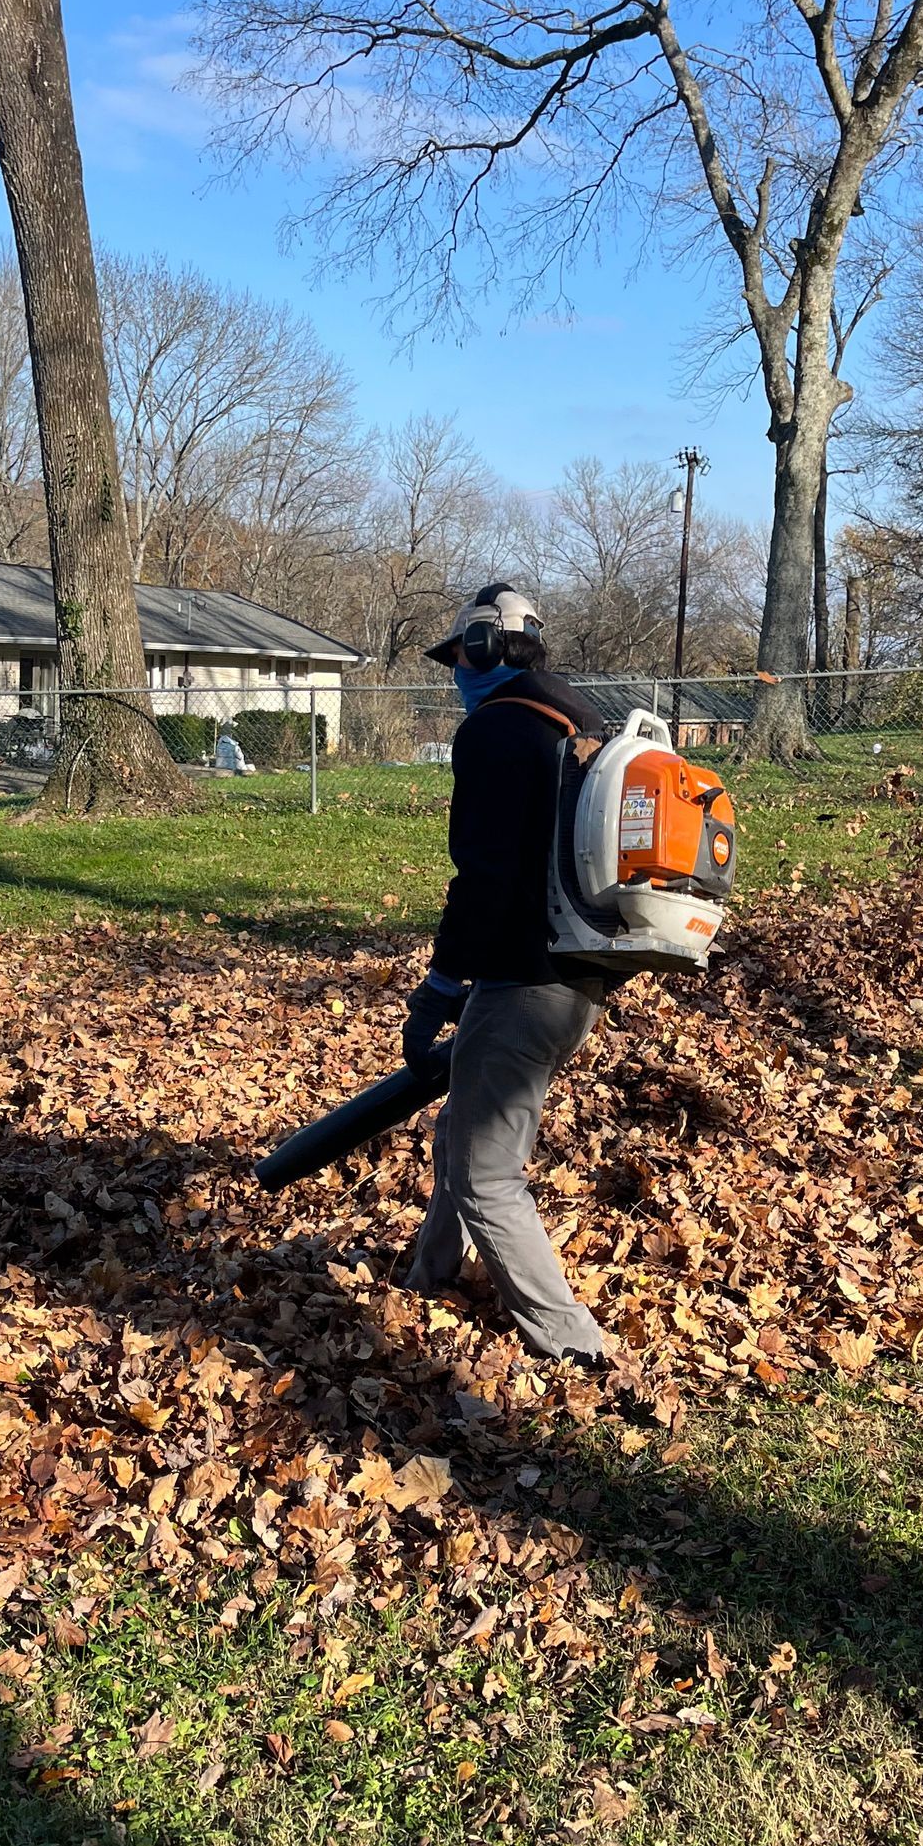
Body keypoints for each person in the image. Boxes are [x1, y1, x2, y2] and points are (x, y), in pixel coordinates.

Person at [399, 584, 616, 1367]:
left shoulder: (498, 728)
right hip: (580, 975)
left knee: (484, 1172)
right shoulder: (576, 717)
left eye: (461, 655)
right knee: (463, 1135)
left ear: (485, 647)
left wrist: (439, 990)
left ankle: (572, 1344)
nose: (457, 671)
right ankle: (429, 1274)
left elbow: (484, 877)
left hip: (525, 979)